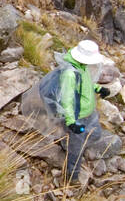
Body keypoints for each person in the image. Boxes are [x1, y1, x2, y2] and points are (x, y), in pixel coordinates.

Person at [47, 39, 118, 184]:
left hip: (88, 111)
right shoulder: (70, 74)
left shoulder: (82, 66)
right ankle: (70, 178)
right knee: (76, 151)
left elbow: (86, 84)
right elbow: (67, 99)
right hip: (78, 116)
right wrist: (71, 122)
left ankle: (69, 141)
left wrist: (98, 89)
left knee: (96, 134)